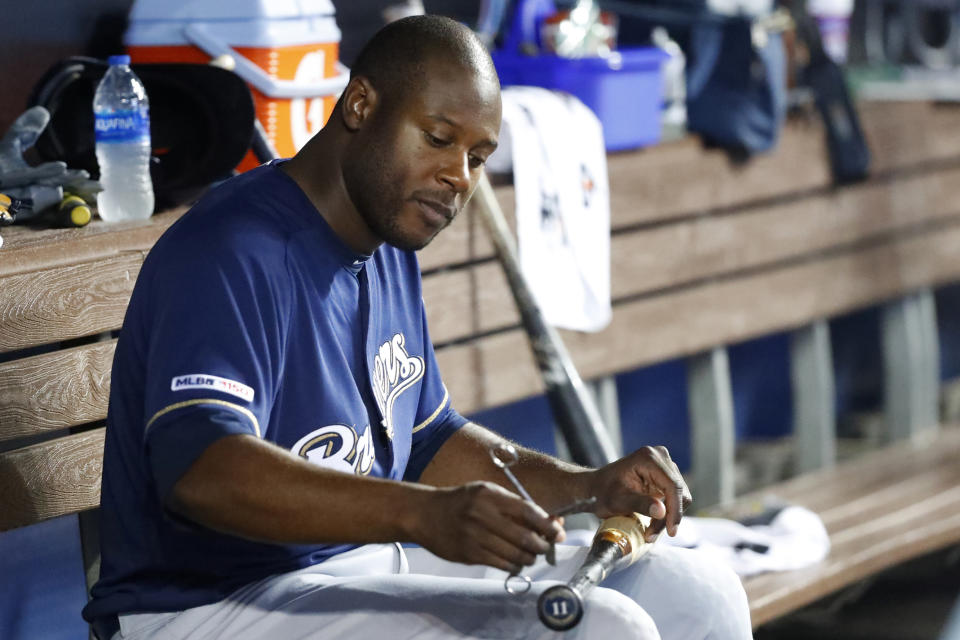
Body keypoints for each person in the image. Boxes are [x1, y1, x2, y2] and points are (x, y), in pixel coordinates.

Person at [83, 15, 752, 640]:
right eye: (438, 138)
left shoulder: (386, 241)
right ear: (361, 106)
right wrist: (422, 514)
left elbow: (428, 438)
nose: (457, 176)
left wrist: (587, 485)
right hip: (205, 607)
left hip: (356, 571)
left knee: (698, 593)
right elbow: (202, 472)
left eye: (479, 156)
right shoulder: (231, 249)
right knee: (605, 628)